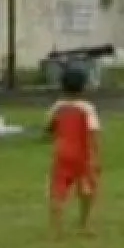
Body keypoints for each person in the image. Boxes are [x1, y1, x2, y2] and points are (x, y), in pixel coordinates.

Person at [43, 65, 101, 236]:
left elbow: (49, 128)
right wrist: (95, 156)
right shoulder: (87, 108)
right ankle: (84, 225)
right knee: (86, 188)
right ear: (84, 87)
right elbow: (93, 133)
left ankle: (56, 229)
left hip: (62, 153)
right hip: (82, 154)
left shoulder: (58, 107)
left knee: (58, 190)